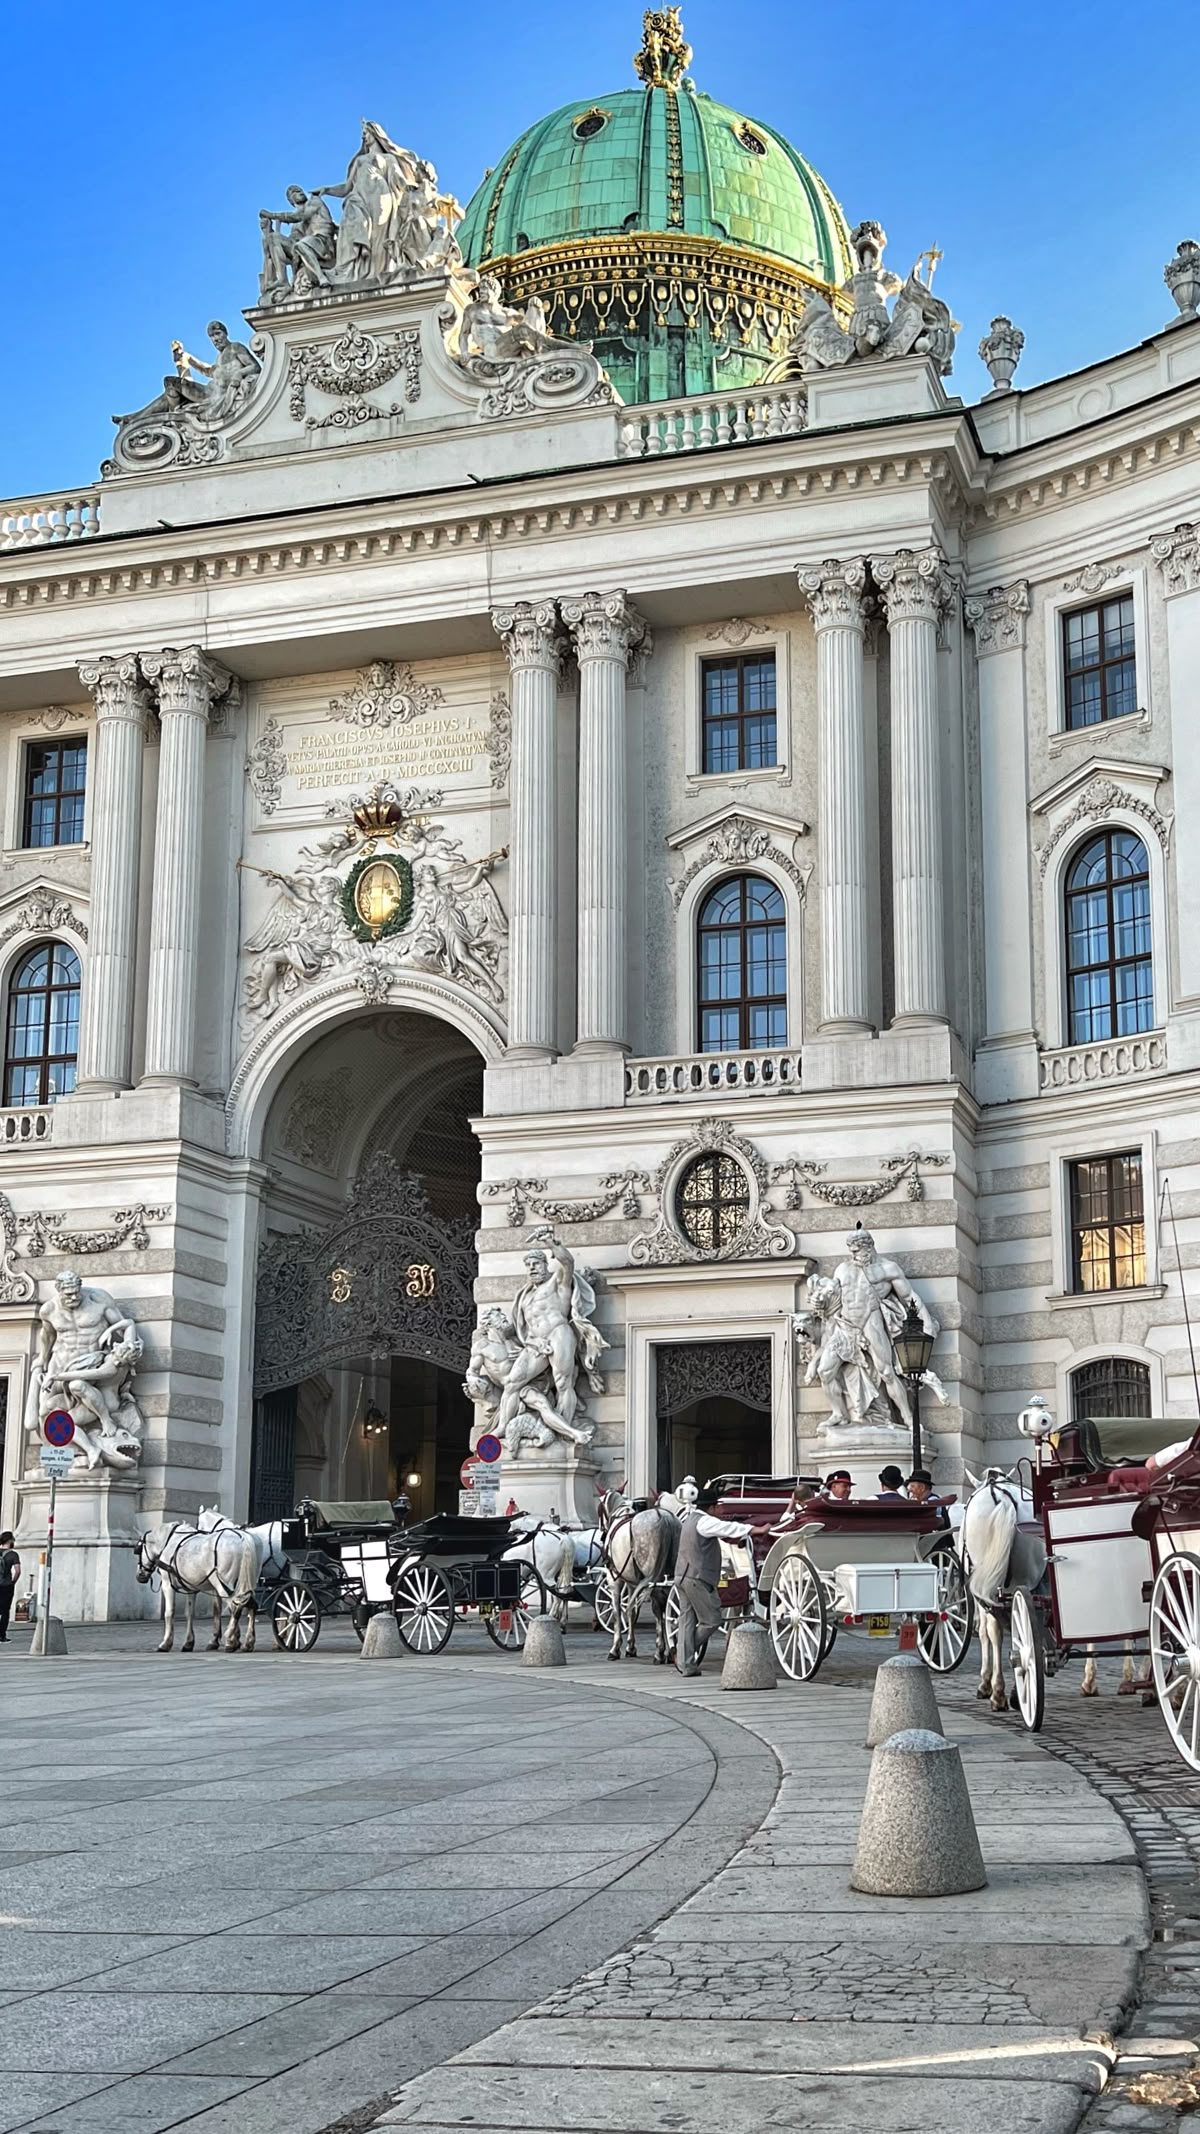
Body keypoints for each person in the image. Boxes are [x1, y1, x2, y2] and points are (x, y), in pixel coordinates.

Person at [672, 1485, 763, 1677]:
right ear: (711, 1508)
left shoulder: (689, 1520)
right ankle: (683, 1655)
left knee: (687, 1620)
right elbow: (727, 1528)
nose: (719, 1511)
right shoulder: (704, 1522)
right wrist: (754, 1529)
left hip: (682, 1575)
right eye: (717, 1507)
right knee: (712, 1620)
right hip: (696, 1578)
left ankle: (687, 1664)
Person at [0, 1531, 20, 1641]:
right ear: (10, 1541)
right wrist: (13, 1582)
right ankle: (2, 1635)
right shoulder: (13, 1554)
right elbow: (18, 1571)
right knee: (5, 1611)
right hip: (6, 1585)